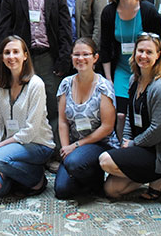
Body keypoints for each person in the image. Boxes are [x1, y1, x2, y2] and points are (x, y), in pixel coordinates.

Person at [0, 0, 72, 172]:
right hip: (21, 59)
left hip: (49, 58)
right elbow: (4, 29)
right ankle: (24, 151)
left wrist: (64, 60)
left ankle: (54, 153)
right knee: (22, 106)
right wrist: (6, 59)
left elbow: (65, 29)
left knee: (52, 107)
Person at [99, 33, 161, 199]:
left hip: (157, 151)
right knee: (111, 190)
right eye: (140, 51)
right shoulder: (133, 80)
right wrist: (126, 141)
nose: (143, 56)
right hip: (139, 147)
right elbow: (130, 116)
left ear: (158, 55)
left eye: (149, 52)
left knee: (105, 160)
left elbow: (158, 129)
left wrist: (133, 144)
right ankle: (157, 179)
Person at [0, 36, 55, 198]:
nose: (11, 56)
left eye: (16, 52)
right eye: (7, 52)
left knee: (0, 159)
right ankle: (18, 174)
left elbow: (30, 131)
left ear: (25, 56)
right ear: (2, 57)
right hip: (10, 149)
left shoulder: (36, 84)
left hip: (38, 144)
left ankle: (37, 179)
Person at [100, 0, 161, 139]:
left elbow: (160, 45)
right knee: (121, 115)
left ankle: (141, 144)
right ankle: (122, 146)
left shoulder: (148, 10)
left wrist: (158, 72)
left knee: (143, 112)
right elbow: (105, 46)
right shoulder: (109, 12)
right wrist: (108, 78)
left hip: (146, 70)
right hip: (122, 69)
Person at [54, 38, 116, 199]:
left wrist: (76, 146)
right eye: (76, 55)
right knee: (61, 190)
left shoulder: (104, 86)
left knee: (74, 163)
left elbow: (107, 127)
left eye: (85, 54)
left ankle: (94, 175)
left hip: (100, 143)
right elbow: (62, 121)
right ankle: (89, 179)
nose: (80, 58)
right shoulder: (66, 84)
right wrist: (65, 149)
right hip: (74, 147)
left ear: (95, 58)